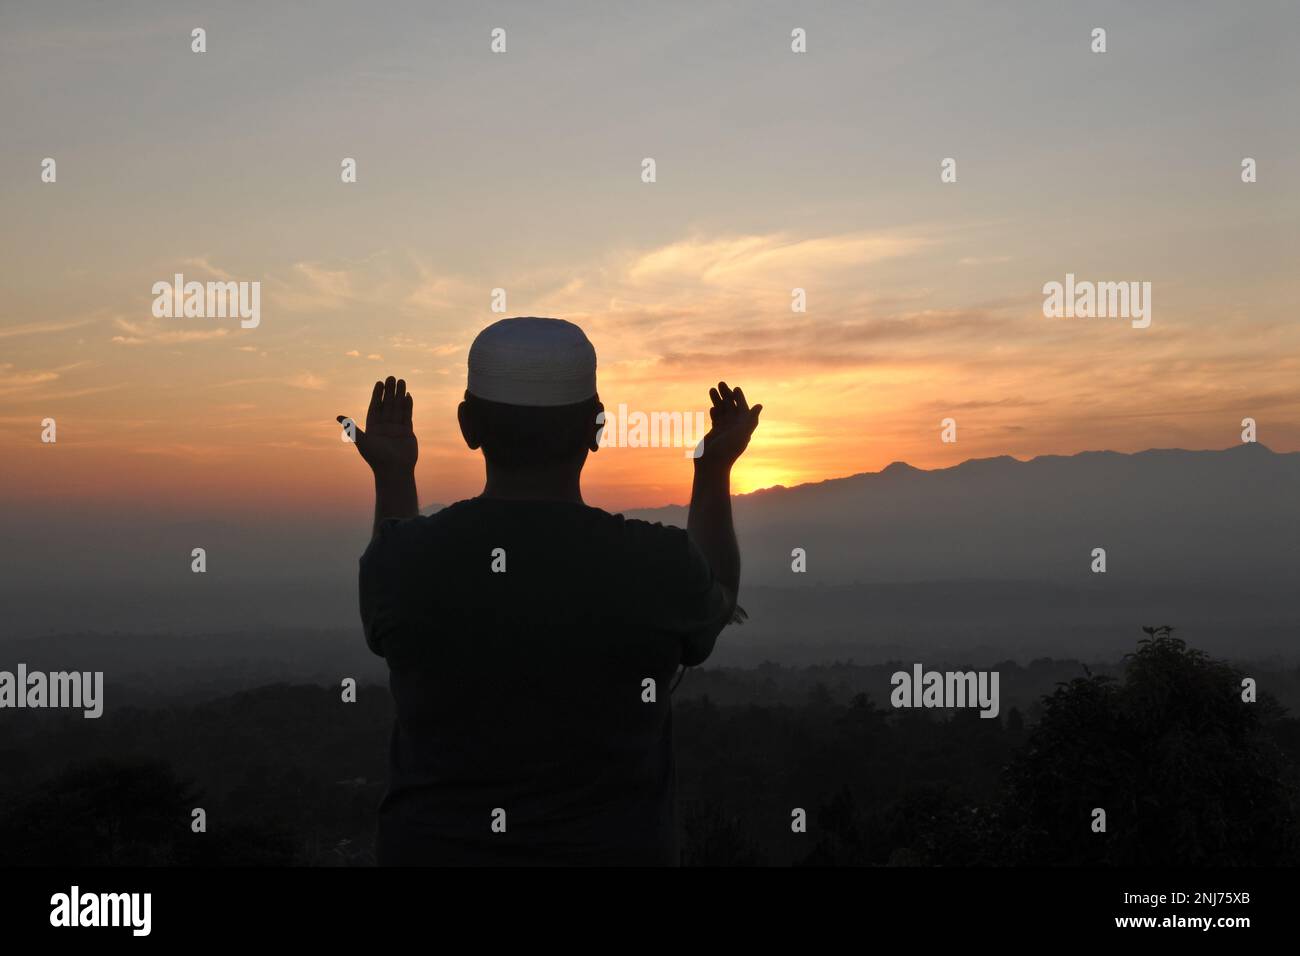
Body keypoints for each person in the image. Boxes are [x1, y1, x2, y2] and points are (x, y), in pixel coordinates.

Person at [336, 316, 761, 865]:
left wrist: (393, 475)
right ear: (597, 428)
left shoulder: (405, 561)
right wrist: (712, 468)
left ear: (468, 426)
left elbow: (391, 583)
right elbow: (721, 591)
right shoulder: (655, 565)